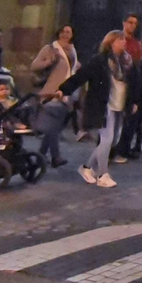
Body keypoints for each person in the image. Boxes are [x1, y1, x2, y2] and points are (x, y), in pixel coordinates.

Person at [51, 30, 129, 188]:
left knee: (112, 140)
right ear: (112, 42)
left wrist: (133, 101)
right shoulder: (100, 61)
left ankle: (86, 168)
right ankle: (103, 175)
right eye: (120, 40)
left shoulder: (123, 61)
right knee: (106, 140)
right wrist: (63, 89)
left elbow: (129, 83)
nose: (124, 42)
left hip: (118, 105)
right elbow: (81, 75)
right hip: (103, 104)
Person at [30, 25, 79, 168]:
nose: (65, 34)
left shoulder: (72, 50)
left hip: (66, 95)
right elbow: (34, 66)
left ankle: (40, 155)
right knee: (53, 126)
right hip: (51, 92)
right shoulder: (50, 48)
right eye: (62, 31)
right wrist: (48, 61)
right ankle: (55, 157)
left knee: (55, 127)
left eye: (68, 32)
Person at [112, 13, 142, 161]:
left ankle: (123, 148)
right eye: (130, 22)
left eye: (135, 23)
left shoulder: (136, 44)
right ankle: (112, 150)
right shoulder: (116, 40)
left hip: (131, 84)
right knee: (114, 120)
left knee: (130, 119)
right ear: (124, 23)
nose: (133, 26)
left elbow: (137, 64)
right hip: (116, 83)